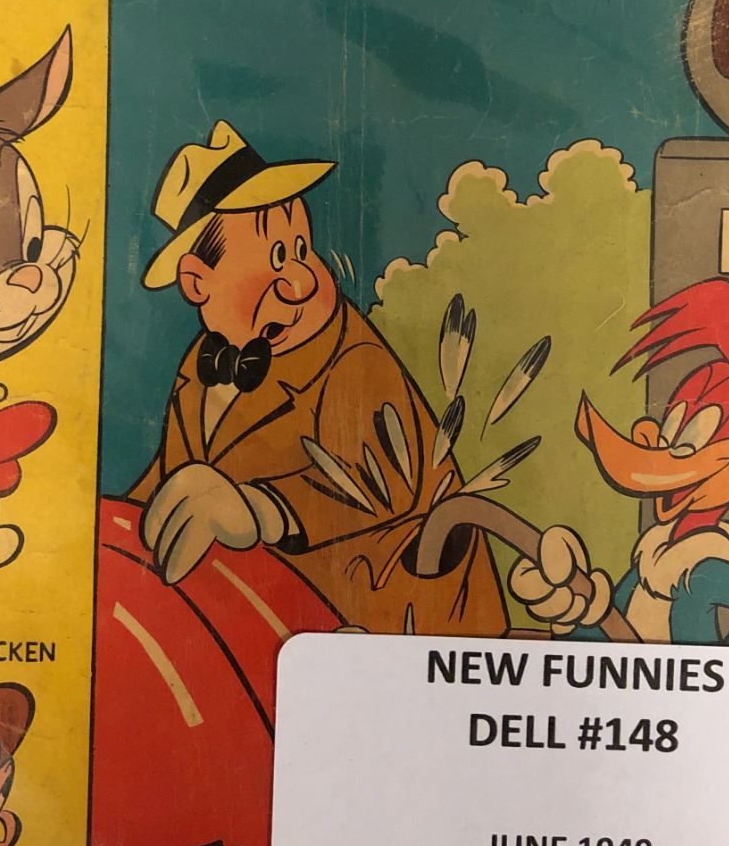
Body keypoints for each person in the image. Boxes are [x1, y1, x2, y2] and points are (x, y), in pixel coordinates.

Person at [128, 120, 508, 634]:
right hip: (280, 619)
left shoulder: (353, 358)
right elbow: (171, 477)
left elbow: (377, 482)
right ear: (198, 282)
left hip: (397, 622)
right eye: (277, 258)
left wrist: (259, 509)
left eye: (302, 249)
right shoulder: (202, 367)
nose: (302, 280)